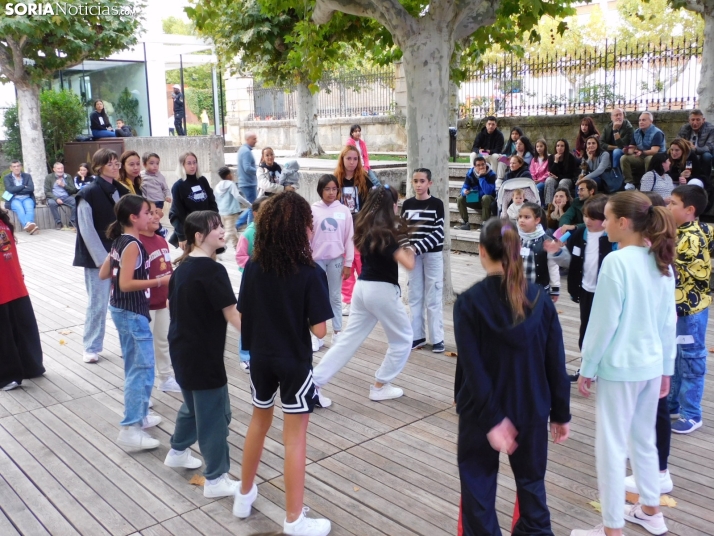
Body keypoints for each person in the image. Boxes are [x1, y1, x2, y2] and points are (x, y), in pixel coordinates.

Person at [455, 216, 571, 535]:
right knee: (532, 486)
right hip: (531, 405)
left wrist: (493, 418)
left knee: (478, 489)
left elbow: (473, 367)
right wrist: (561, 413)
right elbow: (555, 362)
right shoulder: (540, 299)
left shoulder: (468, 303)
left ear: (481, 251)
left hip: (480, 411)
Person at [572, 191, 676, 536]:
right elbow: (668, 323)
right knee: (643, 440)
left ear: (623, 223)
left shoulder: (617, 262)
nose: (602, 222)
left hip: (620, 369)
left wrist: (588, 366)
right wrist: (666, 369)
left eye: (608, 216)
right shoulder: (660, 260)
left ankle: (611, 528)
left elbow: (603, 323)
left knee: (612, 448)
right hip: (649, 366)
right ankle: (650, 510)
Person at [234, 192, 333, 535]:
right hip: (294, 361)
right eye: (310, 225)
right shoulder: (309, 272)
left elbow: (243, 311)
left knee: (258, 423)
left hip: (259, 357)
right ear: (300, 229)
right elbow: (319, 328)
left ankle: (243, 494)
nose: (312, 230)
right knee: (295, 438)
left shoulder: (254, 267)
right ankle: (294, 519)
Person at [313, 185, 415, 405]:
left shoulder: (366, 226)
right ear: (392, 206)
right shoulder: (389, 232)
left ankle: (314, 383)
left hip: (363, 288)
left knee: (347, 340)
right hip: (381, 291)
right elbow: (410, 263)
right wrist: (407, 239)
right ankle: (380, 385)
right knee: (404, 339)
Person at [166, 210, 243, 497]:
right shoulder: (213, 271)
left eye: (221, 225)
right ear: (199, 236)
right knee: (214, 417)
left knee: (193, 407)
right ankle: (216, 479)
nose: (222, 230)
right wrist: (259, 340)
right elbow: (233, 314)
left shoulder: (182, 267)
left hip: (182, 351)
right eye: (215, 228)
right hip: (203, 356)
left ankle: (177, 450)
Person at [98, 195, 166, 449]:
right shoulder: (133, 245)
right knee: (142, 368)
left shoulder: (121, 240)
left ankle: (140, 415)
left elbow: (105, 273)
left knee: (136, 365)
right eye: (147, 212)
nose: (152, 216)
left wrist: (114, 257)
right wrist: (161, 281)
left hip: (122, 310)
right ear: (133, 218)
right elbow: (125, 284)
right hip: (131, 311)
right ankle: (130, 429)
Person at [623, 192, 675, 498]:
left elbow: (665, 322)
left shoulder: (645, 261)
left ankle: (656, 473)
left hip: (644, 356)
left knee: (650, 415)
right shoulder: (658, 260)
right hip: (652, 355)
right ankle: (655, 474)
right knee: (650, 414)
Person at [545, 194, 614, 383]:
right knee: (586, 330)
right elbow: (571, 261)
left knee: (606, 330)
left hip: (606, 294)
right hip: (585, 290)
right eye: (585, 216)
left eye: (593, 217)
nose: (587, 220)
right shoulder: (579, 234)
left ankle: (604, 368)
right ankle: (586, 368)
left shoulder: (612, 238)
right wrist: (558, 252)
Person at [73, 149, 130, 364]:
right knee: (98, 302)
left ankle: (127, 343)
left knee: (125, 302)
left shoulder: (122, 190)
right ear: (99, 166)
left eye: (117, 163)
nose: (116, 167)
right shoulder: (88, 192)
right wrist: (103, 259)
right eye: (111, 163)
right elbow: (86, 229)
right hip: (98, 257)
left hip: (122, 252)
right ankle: (92, 346)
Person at [666, 185, 712, 434]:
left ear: (689, 210)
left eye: (673, 203)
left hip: (690, 308)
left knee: (691, 358)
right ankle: (674, 404)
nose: (668, 206)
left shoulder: (690, 237)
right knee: (676, 357)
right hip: (678, 308)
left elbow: (674, 271)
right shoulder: (682, 231)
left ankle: (691, 413)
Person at [0, 206, 45, 391]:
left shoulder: (2, 219)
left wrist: (19, 274)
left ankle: (30, 366)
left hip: (14, 282)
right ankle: (6, 375)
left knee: (24, 327)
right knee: (4, 333)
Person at [139, 202, 181, 394]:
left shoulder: (161, 240)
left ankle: (165, 377)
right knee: (143, 348)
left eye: (157, 213)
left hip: (162, 300)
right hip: (143, 304)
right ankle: (143, 391)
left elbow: (167, 268)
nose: (157, 217)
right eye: (151, 213)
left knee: (164, 340)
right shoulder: (136, 242)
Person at [401, 169, 445, 353]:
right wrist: (406, 247)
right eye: (415, 181)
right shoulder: (407, 204)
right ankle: (417, 336)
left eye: (422, 181)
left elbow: (439, 232)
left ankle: (437, 339)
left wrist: (416, 247)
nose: (418, 185)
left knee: (433, 295)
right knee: (415, 294)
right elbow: (401, 229)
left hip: (432, 254)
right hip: (413, 256)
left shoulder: (437, 204)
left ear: (430, 183)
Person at [310, 174, 354, 350]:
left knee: (335, 296)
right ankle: (317, 335)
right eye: (327, 189)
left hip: (336, 259)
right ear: (321, 190)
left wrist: (348, 263)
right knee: (316, 298)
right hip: (316, 260)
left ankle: (337, 332)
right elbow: (307, 236)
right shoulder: (312, 209)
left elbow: (349, 237)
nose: (331, 192)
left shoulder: (343, 211)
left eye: (334, 189)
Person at [235, 196, 270, 373]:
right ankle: (245, 355)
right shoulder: (248, 233)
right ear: (255, 213)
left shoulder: (274, 231)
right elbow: (240, 257)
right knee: (247, 316)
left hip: (270, 282)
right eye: (265, 209)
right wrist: (254, 269)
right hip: (251, 282)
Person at [335, 145, 370, 316]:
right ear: (342, 160)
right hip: (341, 229)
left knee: (360, 263)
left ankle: (363, 299)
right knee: (345, 264)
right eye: (348, 158)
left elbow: (373, 201)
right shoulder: (335, 179)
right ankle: (348, 300)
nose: (352, 162)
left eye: (355, 159)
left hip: (360, 228)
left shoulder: (364, 178)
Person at [168, 152, 218, 250]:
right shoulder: (178, 186)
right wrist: (181, 236)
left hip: (207, 228)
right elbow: (176, 213)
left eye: (194, 163)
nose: (192, 166)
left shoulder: (202, 180)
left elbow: (212, 202)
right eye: (189, 163)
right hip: (191, 231)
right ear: (182, 165)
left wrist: (214, 221)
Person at [517, 202, 560, 300]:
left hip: (538, 290)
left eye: (527, 217)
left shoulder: (547, 241)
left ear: (537, 220)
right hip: (518, 289)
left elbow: (553, 266)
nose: (522, 220)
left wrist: (555, 287)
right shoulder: (517, 239)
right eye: (520, 217)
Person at [620, 112, 666, 189]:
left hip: (657, 157)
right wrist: (627, 150)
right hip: (641, 156)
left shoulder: (657, 133)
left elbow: (654, 151)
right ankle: (630, 183)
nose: (641, 122)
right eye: (640, 120)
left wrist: (642, 152)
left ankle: (647, 183)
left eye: (644, 120)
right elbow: (632, 148)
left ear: (651, 121)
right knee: (624, 158)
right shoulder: (636, 132)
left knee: (649, 158)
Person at [214, 166, 250, 250]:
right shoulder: (231, 184)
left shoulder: (217, 186)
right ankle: (216, 248)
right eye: (231, 173)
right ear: (228, 175)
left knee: (232, 230)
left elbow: (216, 198)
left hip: (222, 212)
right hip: (231, 213)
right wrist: (248, 204)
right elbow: (237, 196)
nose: (232, 175)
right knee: (229, 232)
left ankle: (237, 248)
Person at [457, 155, 496, 230]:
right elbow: (464, 187)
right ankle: (465, 223)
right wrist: (464, 191)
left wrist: (481, 177)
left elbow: (488, 192)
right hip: (476, 198)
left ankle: (485, 223)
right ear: (474, 166)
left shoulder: (491, 174)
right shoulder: (470, 173)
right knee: (460, 198)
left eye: (483, 164)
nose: (481, 167)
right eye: (478, 165)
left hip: (489, 200)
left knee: (486, 197)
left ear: (485, 164)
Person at [677, 109, 714, 180]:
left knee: (707, 156)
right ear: (689, 120)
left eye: (698, 120)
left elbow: (709, 147)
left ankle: (705, 179)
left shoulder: (711, 129)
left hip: (702, 154)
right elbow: (677, 141)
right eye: (693, 120)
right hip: (688, 153)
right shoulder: (684, 128)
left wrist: (695, 149)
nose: (695, 122)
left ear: (703, 120)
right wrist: (686, 145)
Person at [3, 160, 38, 234]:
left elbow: (31, 189)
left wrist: (16, 190)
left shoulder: (27, 176)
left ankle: (28, 226)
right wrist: (23, 186)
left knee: (29, 208)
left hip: (27, 197)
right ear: (11, 168)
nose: (16, 168)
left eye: (18, 166)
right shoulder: (7, 178)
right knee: (20, 209)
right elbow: (10, 189)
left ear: (21, 167)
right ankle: (29, 225)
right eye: (14, 166)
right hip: (14, 199)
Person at [44, 162, 77, 230]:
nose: (60, 170)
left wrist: (63, 185)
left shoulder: (68, 176)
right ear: (54, 169)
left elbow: (73, 190)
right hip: (54, 197)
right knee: (51, 203)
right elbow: (47, 192)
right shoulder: (49, 177)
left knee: (76, 202)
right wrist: (56, 199)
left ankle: (72, 221)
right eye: (58, 168)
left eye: (62, 168)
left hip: (66, 197)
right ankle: (58, 222)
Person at [545, 139, 579, 205]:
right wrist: (556, 161)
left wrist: (558, 177)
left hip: (567, 179)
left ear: (565, 147)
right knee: (549, 180)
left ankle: (562, 204)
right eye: (558, 146)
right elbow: (551, 172)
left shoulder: (571, 158)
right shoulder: (551, 157)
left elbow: (570, 174)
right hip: (555, 178)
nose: (559, 148)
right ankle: (549, 204)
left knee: (562, 182)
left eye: (562, 146)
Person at [236, 132, 259, 229]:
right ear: (248, 139)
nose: (255, 141)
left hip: (246, 182)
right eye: (253, 139)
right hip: (248, 183)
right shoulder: (246, 152)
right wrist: (259, 171)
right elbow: (247, 168)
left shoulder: (243, 150)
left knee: (251, 206)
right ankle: (249, 227)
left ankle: (239, 223)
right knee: (252, 207)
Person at [601, 108, 634, 172]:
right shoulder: (607, 127)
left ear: (623, 116)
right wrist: (614, 147)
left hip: (625, 151)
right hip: (611, 150)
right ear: (611, 118)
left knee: (616, 152)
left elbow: (623, 146)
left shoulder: (628, 127)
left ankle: (615, 173)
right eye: (616, 115)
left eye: (620, 115)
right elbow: (601, 143)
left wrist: (615, 130)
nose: (618, 117)